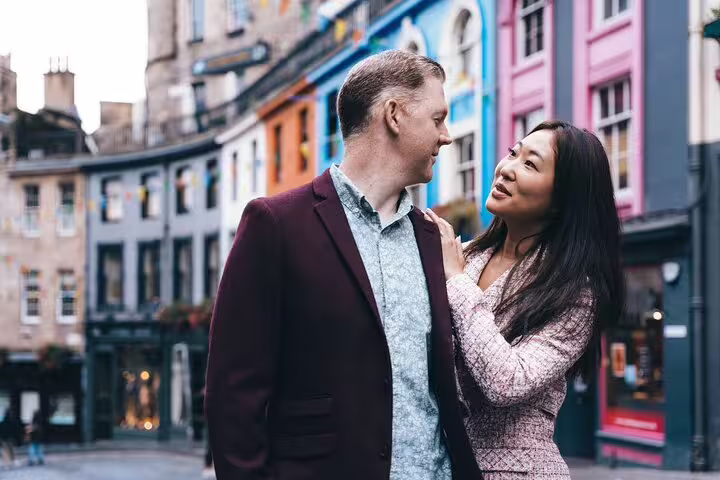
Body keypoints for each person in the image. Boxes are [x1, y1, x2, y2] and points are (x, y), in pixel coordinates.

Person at [205, 50, 480, 479]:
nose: (445, 136)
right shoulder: (275, 225)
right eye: (437, 118)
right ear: (394, 115)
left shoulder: (433, 238)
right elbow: (233, 396)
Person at [426, 120, 624, 479]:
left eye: (530, 164)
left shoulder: (577, 293)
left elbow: (507, 382)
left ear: (563, 200)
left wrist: (455, 281)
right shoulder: (463, 257)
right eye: (513, 153)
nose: (507, 169)